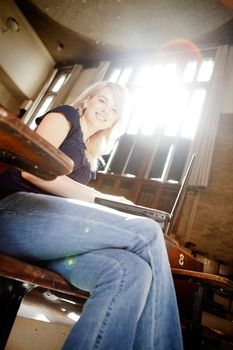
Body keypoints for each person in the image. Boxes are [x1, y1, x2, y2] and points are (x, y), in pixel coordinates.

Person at [0, 81, 183, 350]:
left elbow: (73, 198)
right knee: (147, 231)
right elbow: (33, 170)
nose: (107, 109)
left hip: (50, 241)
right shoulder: (66, 116)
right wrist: (105, 199)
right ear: (87, 101)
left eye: (115, 109)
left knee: (133, 271)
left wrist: (103, 202)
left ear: (116, 121)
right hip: (13, 214)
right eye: (103, 100)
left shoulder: (90, 159)